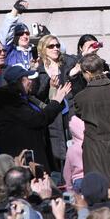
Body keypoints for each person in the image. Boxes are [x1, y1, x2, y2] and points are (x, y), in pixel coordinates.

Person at [0, 65, 71, 171]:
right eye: (28, 79)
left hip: (31, 157)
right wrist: (56, 101)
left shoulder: (25, 99)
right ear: (21, 81)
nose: (30, 82)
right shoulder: (11, 103)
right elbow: (38, 120)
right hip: (23, 162)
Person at [74, 53, 110, 191]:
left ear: (87, 73)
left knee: (98, 190)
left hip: (94, 148)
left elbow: (79, 114)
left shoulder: (80, 97)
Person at [33, 34, 78, 167]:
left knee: (72, 145)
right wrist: (50, 86)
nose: (55, 48)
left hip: (69, 111)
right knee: (55, 150)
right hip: (51, 116)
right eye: (51, 46)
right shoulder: (39, 69)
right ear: (43, 49)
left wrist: (72, 75)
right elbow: (37, 95)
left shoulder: (67, 64)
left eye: (57, 45)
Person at [0, 0, 37, 70]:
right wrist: (15, 11)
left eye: (27, 33)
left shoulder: (34, 52)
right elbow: (6, 35)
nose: (24, 36)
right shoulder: (10, 51)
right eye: (20, 33)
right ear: (14, 36)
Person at [63, 116, 85, 193]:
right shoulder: (92, 145)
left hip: (78, 181)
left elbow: (67, 171)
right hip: (91, 178)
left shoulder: (71, 149)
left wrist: (69, 187)